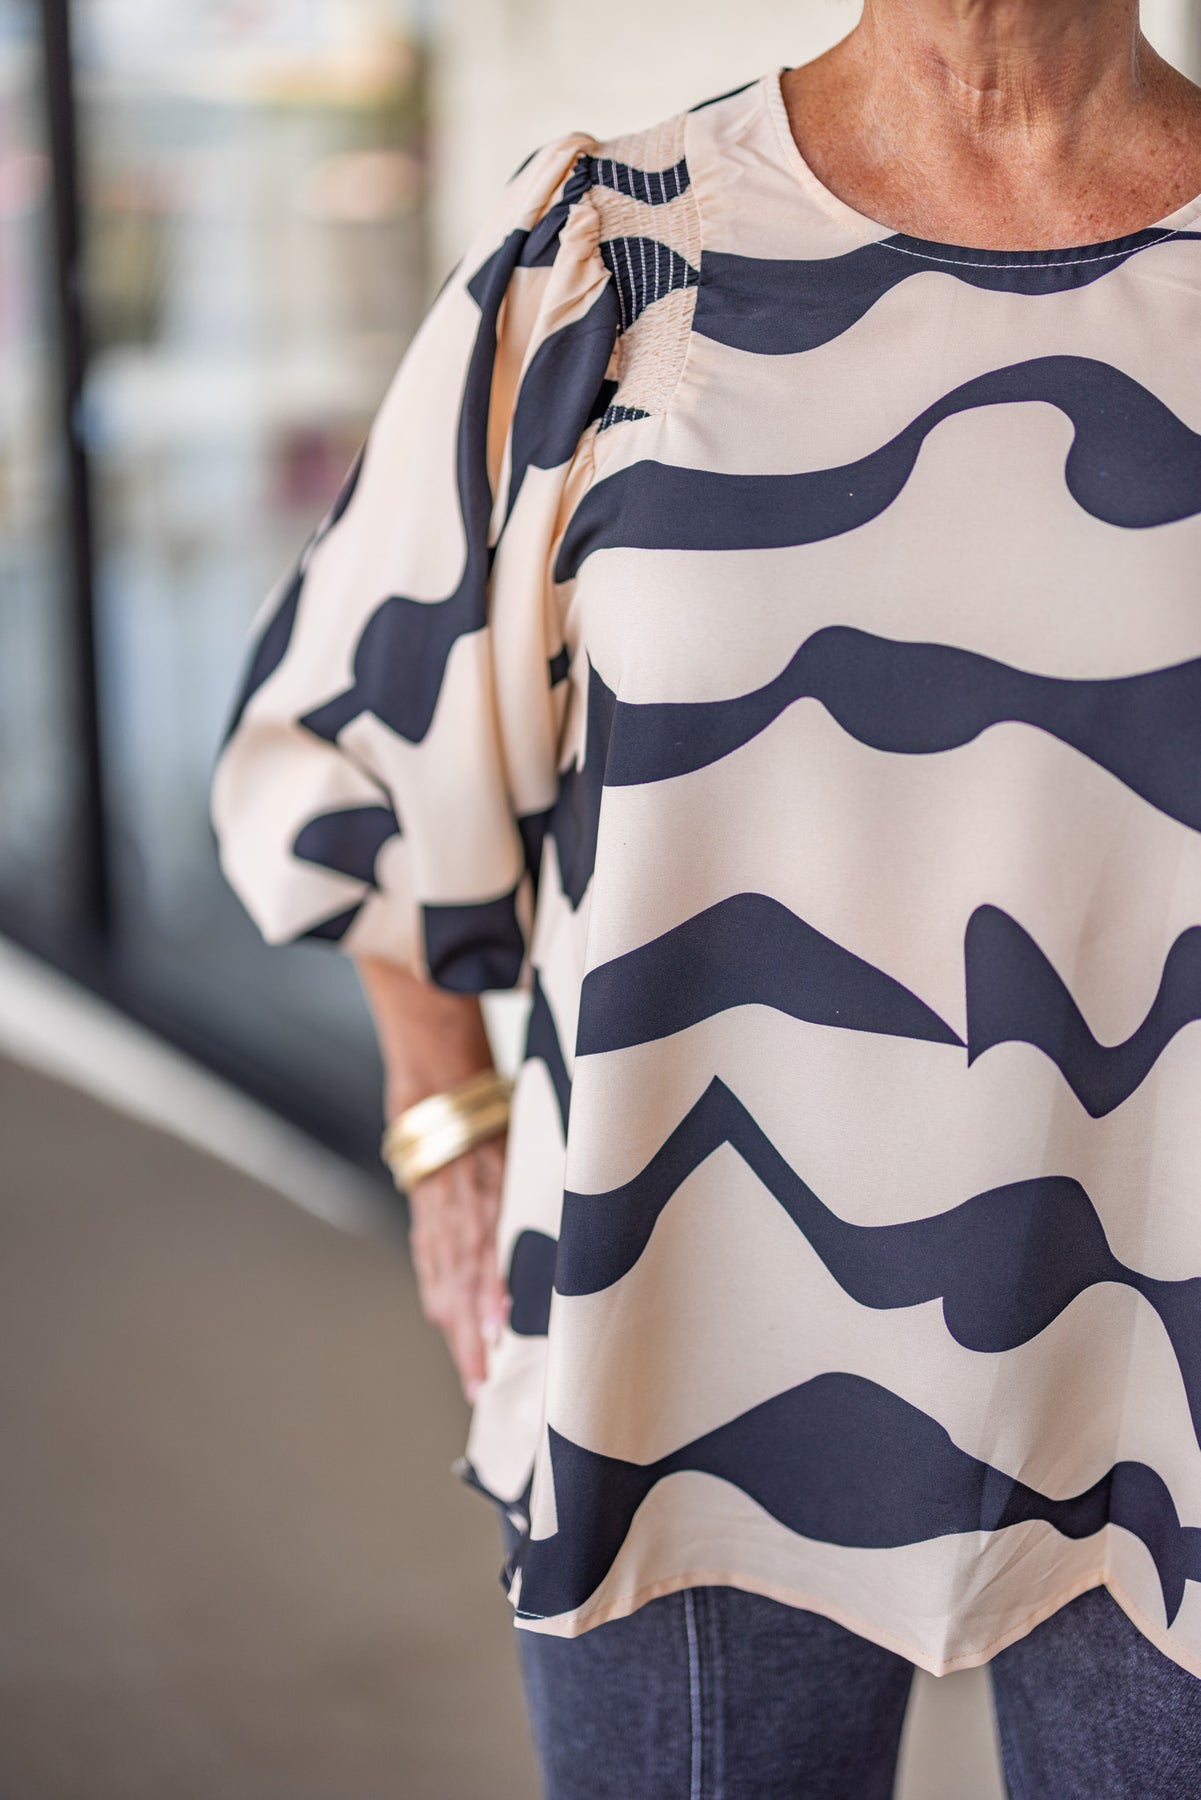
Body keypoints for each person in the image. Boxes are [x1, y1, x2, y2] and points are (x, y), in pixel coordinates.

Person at [210, 1, 1201, 1792]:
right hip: (685, 1330)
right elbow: (363, 737)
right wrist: (444, 1122)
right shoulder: (615, 247)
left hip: (1169, 1354)